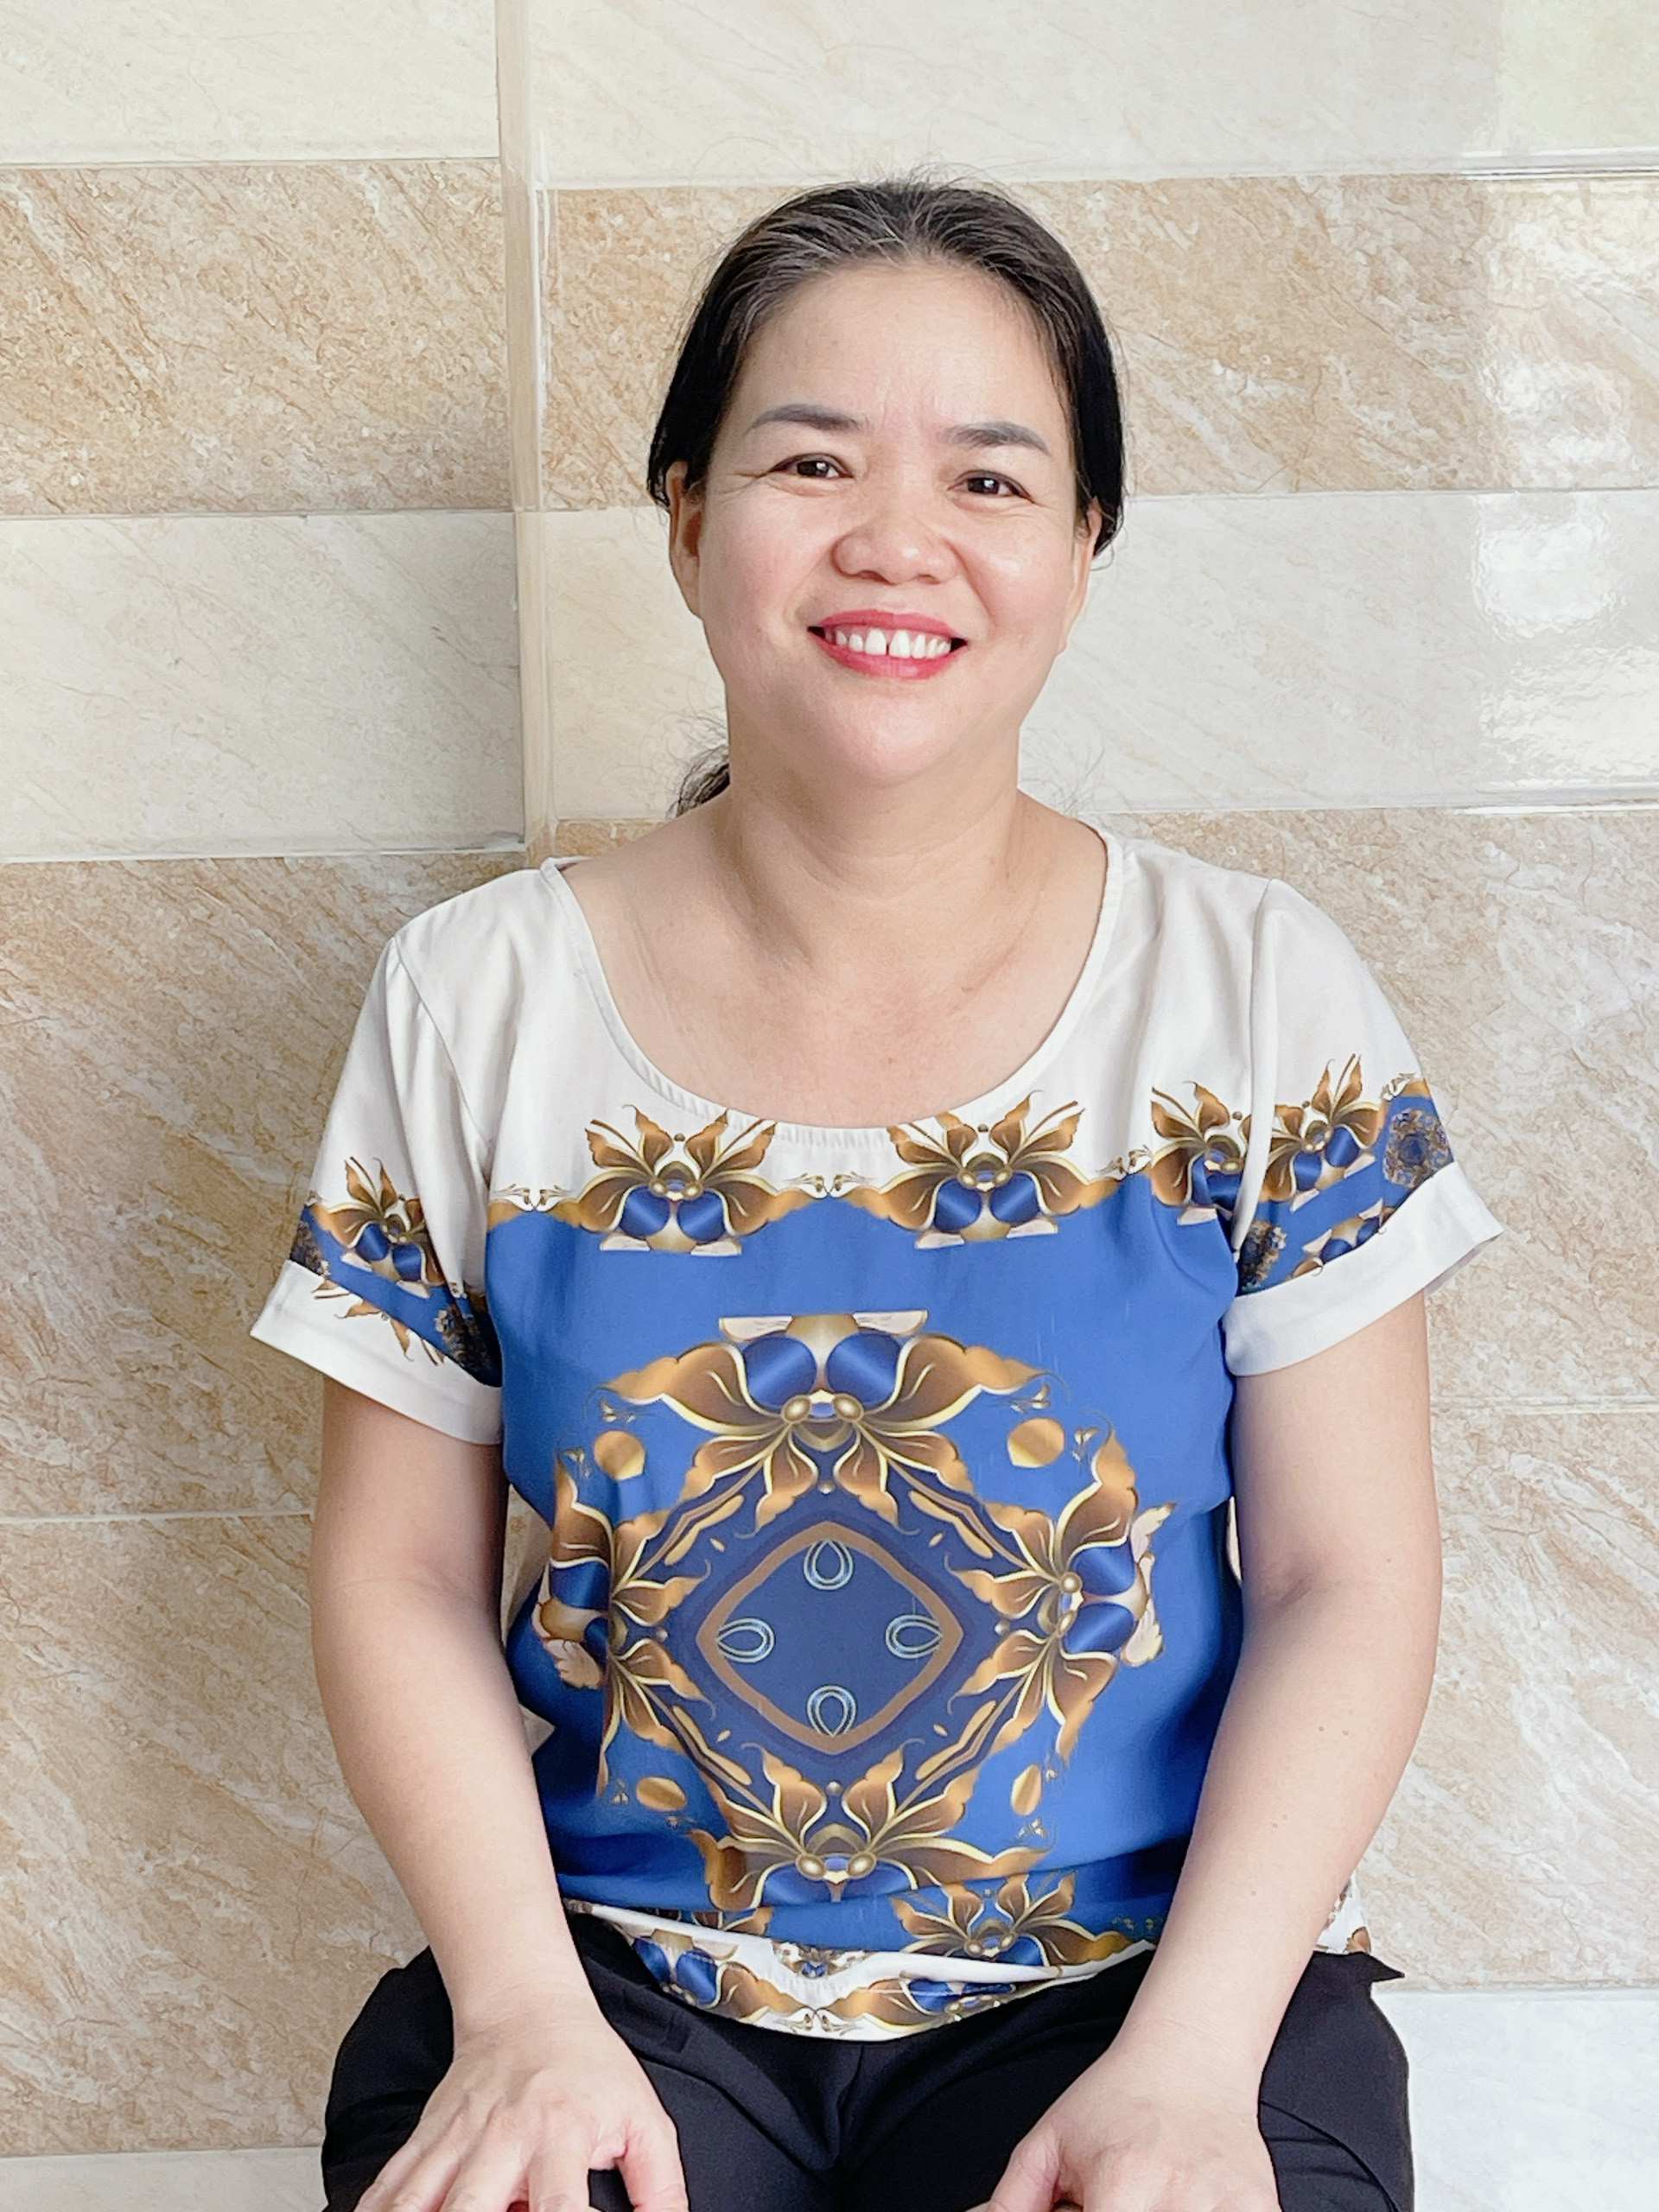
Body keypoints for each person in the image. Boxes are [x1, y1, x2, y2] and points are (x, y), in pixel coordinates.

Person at [253, 178, 1501, 2212]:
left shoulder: (1262, 997)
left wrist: (1194, 2067)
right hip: (617, 1985)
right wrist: (523, 2008)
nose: (894, 539)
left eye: (989, 478)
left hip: (1148, 1989)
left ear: (1082, 547)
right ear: (686, 518)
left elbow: (1340, 1579)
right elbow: (397, 1571)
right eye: (811, 461)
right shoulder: (476, 999)